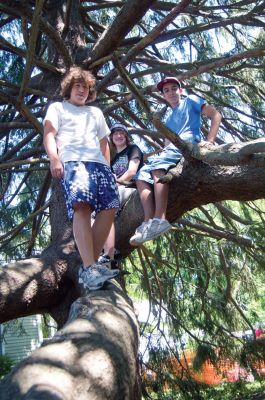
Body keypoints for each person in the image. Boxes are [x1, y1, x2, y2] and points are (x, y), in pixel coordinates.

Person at [43, 67, 120, 291]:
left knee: (110, 207)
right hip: (73, 161)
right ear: (68, 88)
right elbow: (49, 133)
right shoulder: (58, 108)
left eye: (86, 87)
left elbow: (104, 143)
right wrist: (54, 158)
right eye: (78, 86)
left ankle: (90, 268)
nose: (82, 90)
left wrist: (108, 168)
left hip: (99, 164)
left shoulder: (95, 113)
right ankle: (89, 267)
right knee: (82, 207)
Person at [130, 76, 222, 246]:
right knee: (141, 174)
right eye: (166, 90)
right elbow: (167, 143)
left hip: (187, 145)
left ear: (180, 90)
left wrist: (209, 142)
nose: (171, 92)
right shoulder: (167, 119)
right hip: (171, 150)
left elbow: (216, 115)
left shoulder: (191, 101)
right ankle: (148, 222)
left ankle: (160, 219)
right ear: (163, 95)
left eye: (174, 88)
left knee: (158, 168)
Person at [98, 123, 143, 265]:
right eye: (115, 134)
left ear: (126, 136)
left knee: (105, 210)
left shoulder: (133, 149)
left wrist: (115, 184)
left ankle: (108, 253)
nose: (118, 136)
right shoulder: (112, 158)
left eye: (121, 133)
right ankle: (106, 251)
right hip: (116, 189)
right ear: (111, 138)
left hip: (129, 187)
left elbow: (131, 172)